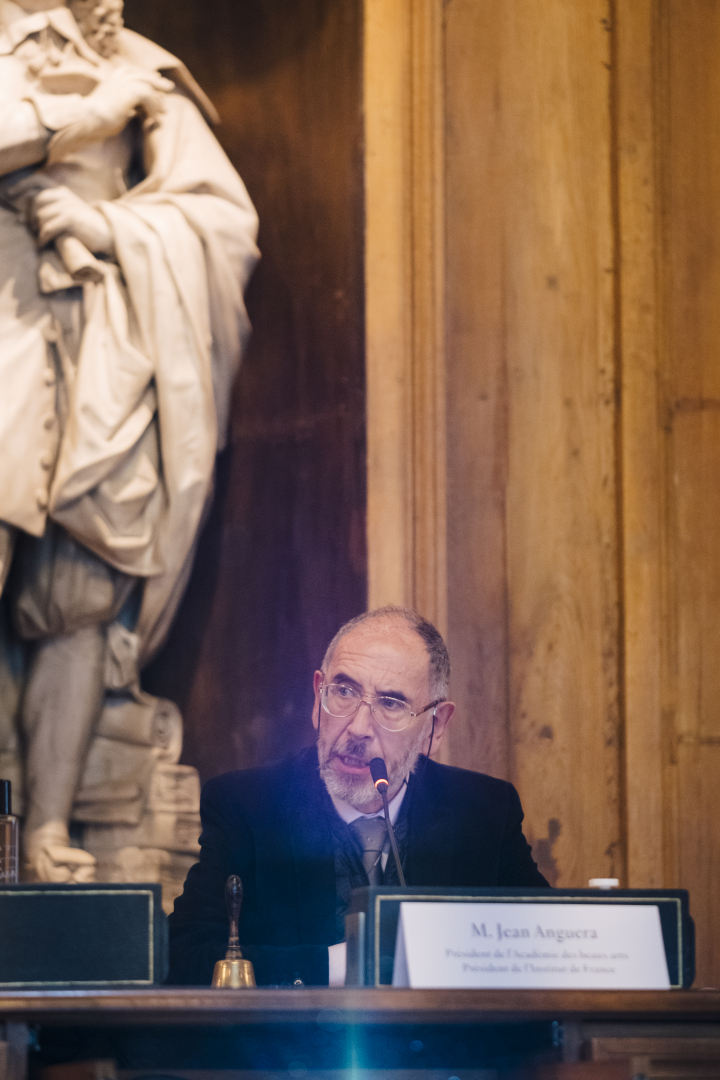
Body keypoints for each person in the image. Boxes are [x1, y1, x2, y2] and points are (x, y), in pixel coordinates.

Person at [0, 0, 259, 880]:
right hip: (3, 334)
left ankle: (46, 829)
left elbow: (220, 221)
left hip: (102, 349)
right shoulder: (103, 85)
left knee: (79, 592)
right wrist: (85, 118)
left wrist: (110, 225)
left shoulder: (144, 70)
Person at [168, 607, 548, 986]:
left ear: (436, 726)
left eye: (391, 703)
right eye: (345, 692)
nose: (358, 727)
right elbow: (185, 957)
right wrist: (339, 965)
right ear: (319, 698)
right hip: (298, 1044)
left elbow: (543, 953)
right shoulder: (247, 806)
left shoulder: (483, 813)